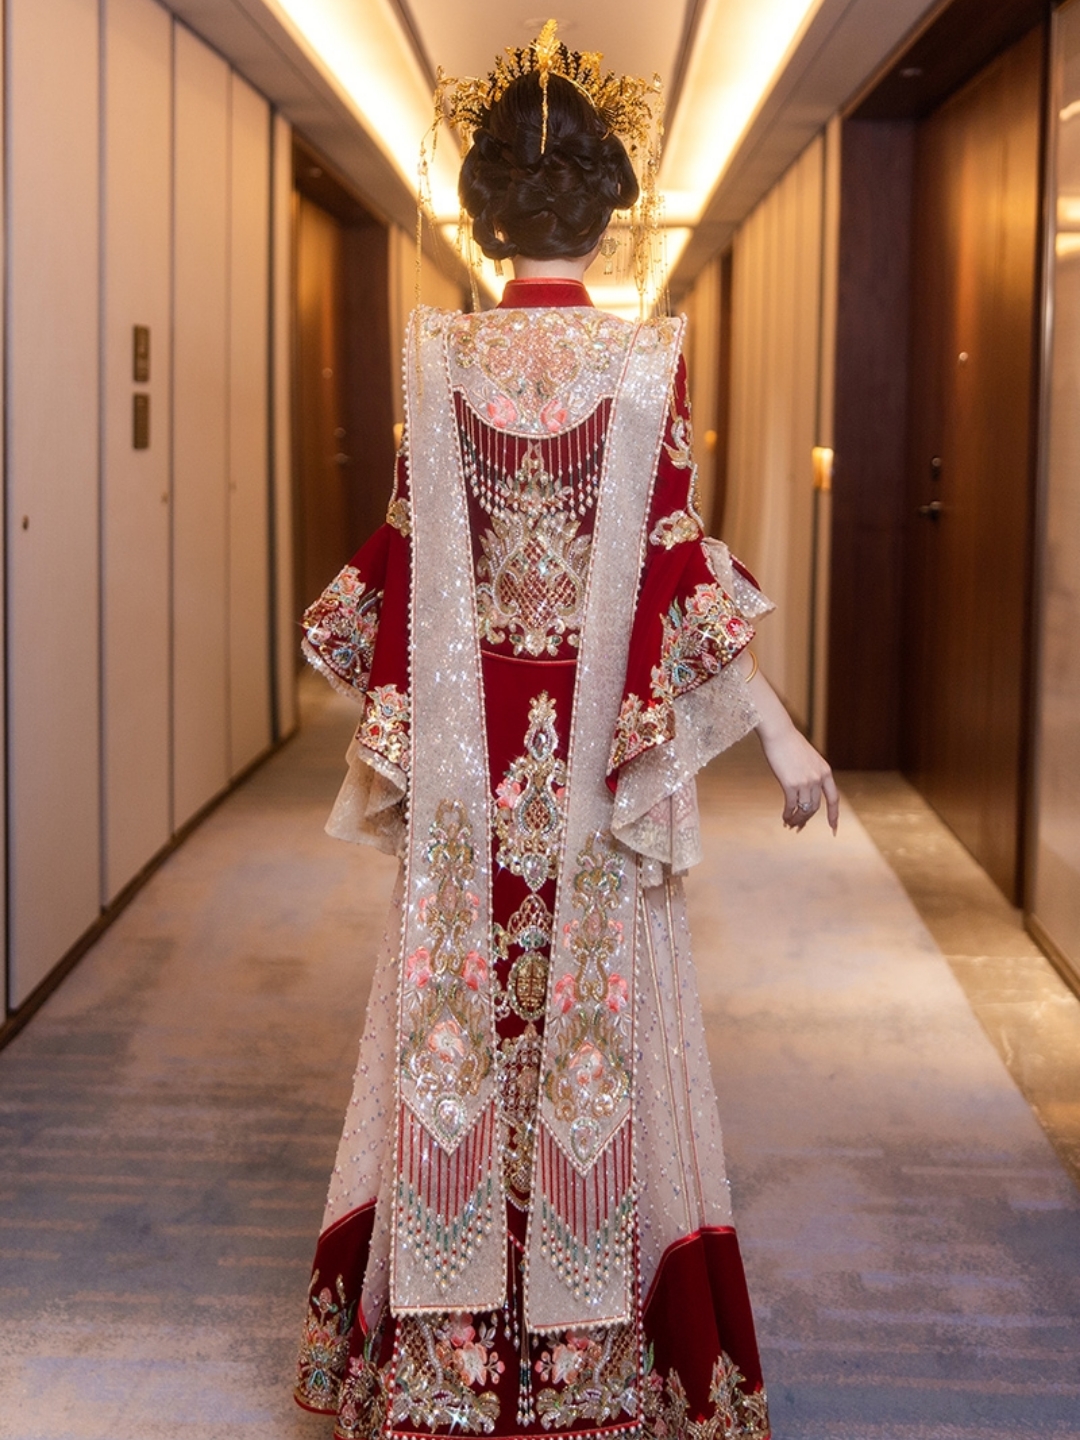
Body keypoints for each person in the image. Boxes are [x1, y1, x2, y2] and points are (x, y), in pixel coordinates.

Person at [293, 23, 838, 1440]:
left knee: (451, 1028)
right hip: (593, 765)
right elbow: (673, 574)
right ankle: (599, 1364)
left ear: (484, 217)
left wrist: (372, 673)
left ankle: (440, 1370)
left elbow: (409, 558)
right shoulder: (646, 364)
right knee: (607, 1039)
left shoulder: (435, 359)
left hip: (470, 768)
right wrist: (781, 734)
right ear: (608, 215)